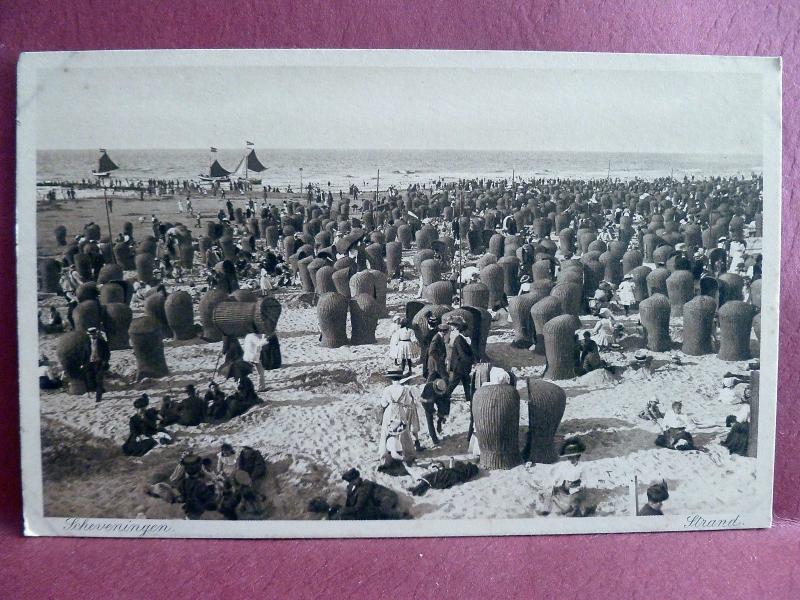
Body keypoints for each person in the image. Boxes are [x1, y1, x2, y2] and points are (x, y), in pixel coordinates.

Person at [376, 370, 421, 467]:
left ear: (391, 379)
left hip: (389, 411)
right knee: (403, 432)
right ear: (400, 378)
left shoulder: (387, 389)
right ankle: (403, 452)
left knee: (386, 431)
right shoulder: (404, 389)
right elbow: (408, 402)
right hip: (400, 411)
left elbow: (383, 403)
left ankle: (386, 452)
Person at [540, 437, 595, 517]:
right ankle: (547, 510)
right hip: (563, 490)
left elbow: (585, 481)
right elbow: (555, 478)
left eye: (574, 456)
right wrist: (554, 484)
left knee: (573, 504)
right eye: (569, 456)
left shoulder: (582, 467)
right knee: (549, 492)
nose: (571, 458)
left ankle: (574, 510)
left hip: (575, 491)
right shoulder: (563, 466)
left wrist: (578, 486)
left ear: (578, 455)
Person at [420, 375, 450, 446]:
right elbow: (425, 403)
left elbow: (446, 401)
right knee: (429, 418)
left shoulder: (442, 385)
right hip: (427, 400)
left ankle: (439, 424)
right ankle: (434, 439)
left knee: (442, 408)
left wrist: (444, 414)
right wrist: (433, 412)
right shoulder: (428, 388)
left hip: (438, 397)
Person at [84, 327, 110, 402]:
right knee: (90, 380)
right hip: (90, 364)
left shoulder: (102, 343)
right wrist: (83, 364)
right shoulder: (87, 343)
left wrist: (105, 361)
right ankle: (100, 390)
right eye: (91, 334)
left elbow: (107, 353)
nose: (92, 336)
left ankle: (98, 398)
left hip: (99, 363)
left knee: (99, 380)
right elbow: (85, 354)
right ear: (89, 335)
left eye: (94, 334)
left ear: (96, 334)